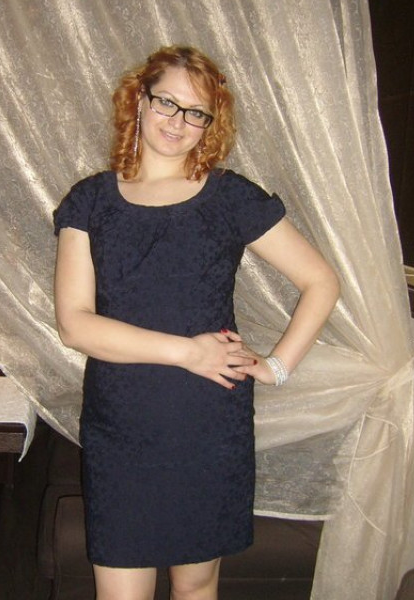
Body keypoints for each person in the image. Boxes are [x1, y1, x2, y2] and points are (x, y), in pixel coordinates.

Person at [53, 45, 340, 600]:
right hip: (122, 425)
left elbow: (321, 281)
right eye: (166, 102)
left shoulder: (230, 197)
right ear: (139, 100)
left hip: (207, 424)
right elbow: (75, 326)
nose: (177, 121)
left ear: (211, 123)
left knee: (196, 584)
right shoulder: (89, 201)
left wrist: (278, 366)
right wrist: (190, 352)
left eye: (196, 112)